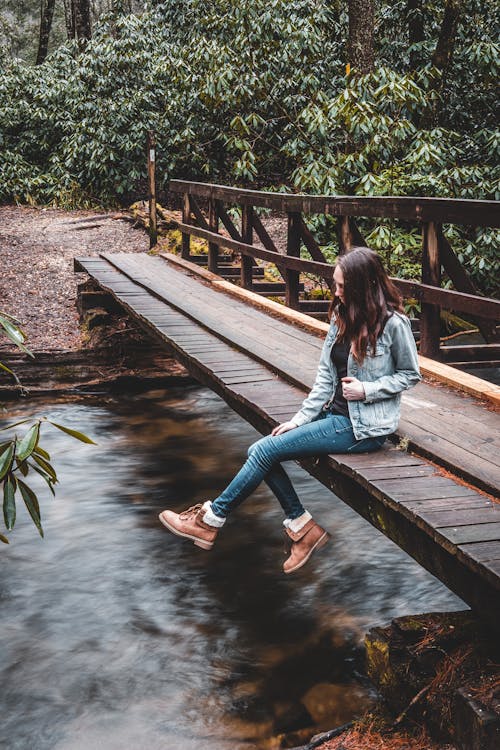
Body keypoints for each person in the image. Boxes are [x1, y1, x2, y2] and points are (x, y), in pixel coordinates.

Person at [159, 246, 421, 573]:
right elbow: (326, 378)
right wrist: (298, 420)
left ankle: (212, 520)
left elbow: (410, 376)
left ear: (362, 286)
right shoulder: (341, 315)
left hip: (363, 428)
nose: (335, 291)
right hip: (335, 417)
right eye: (335, 285)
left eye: (342, 286)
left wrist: (367, 389)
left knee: (264, 451)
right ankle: (301, 528)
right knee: (262, 448)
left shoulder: (395, 324)